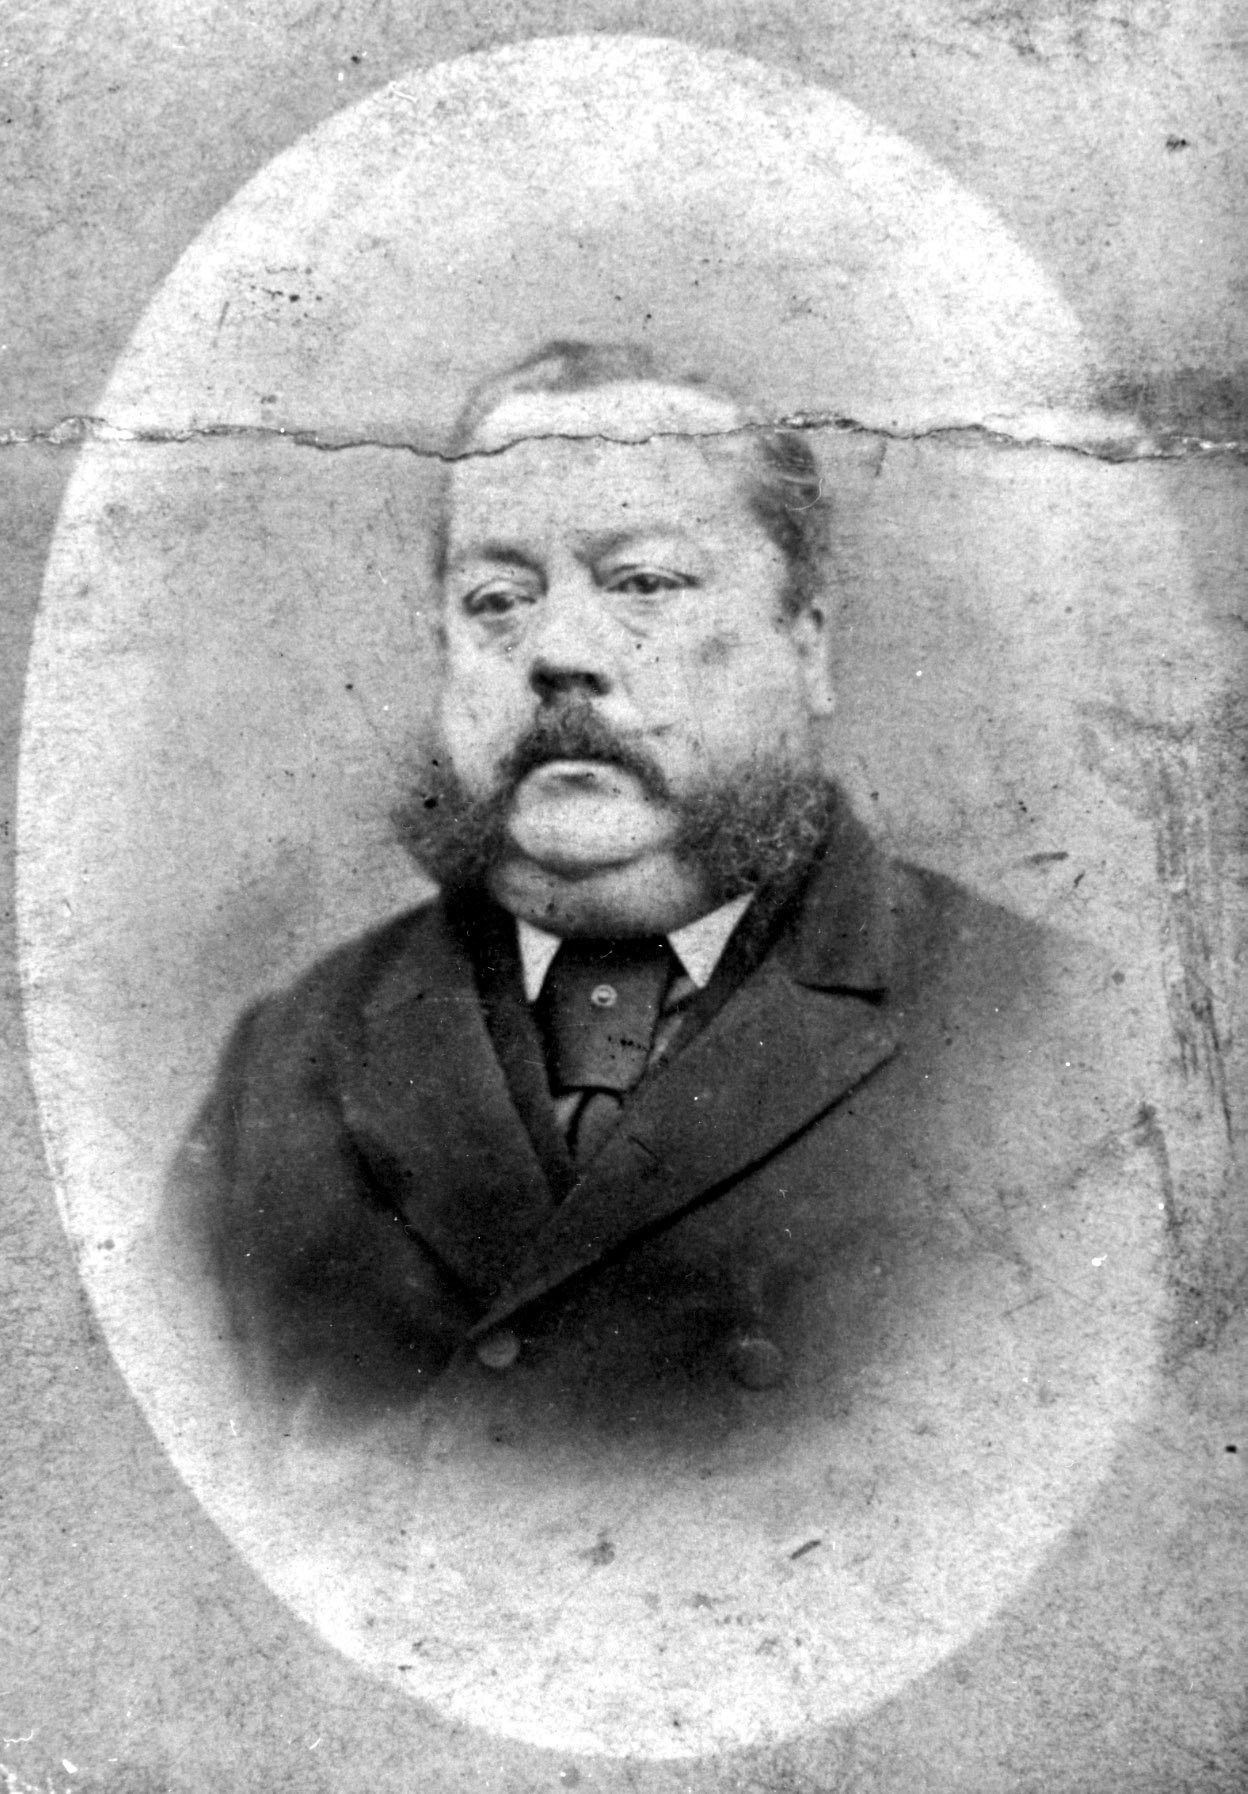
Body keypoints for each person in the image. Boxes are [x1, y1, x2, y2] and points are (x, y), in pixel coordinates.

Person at [160, 340, 1142, 1428]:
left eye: (643, 583)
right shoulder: (284, 1065)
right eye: (497, 599)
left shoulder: (1056, 1035)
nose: (557, 650)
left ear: (807, 641)